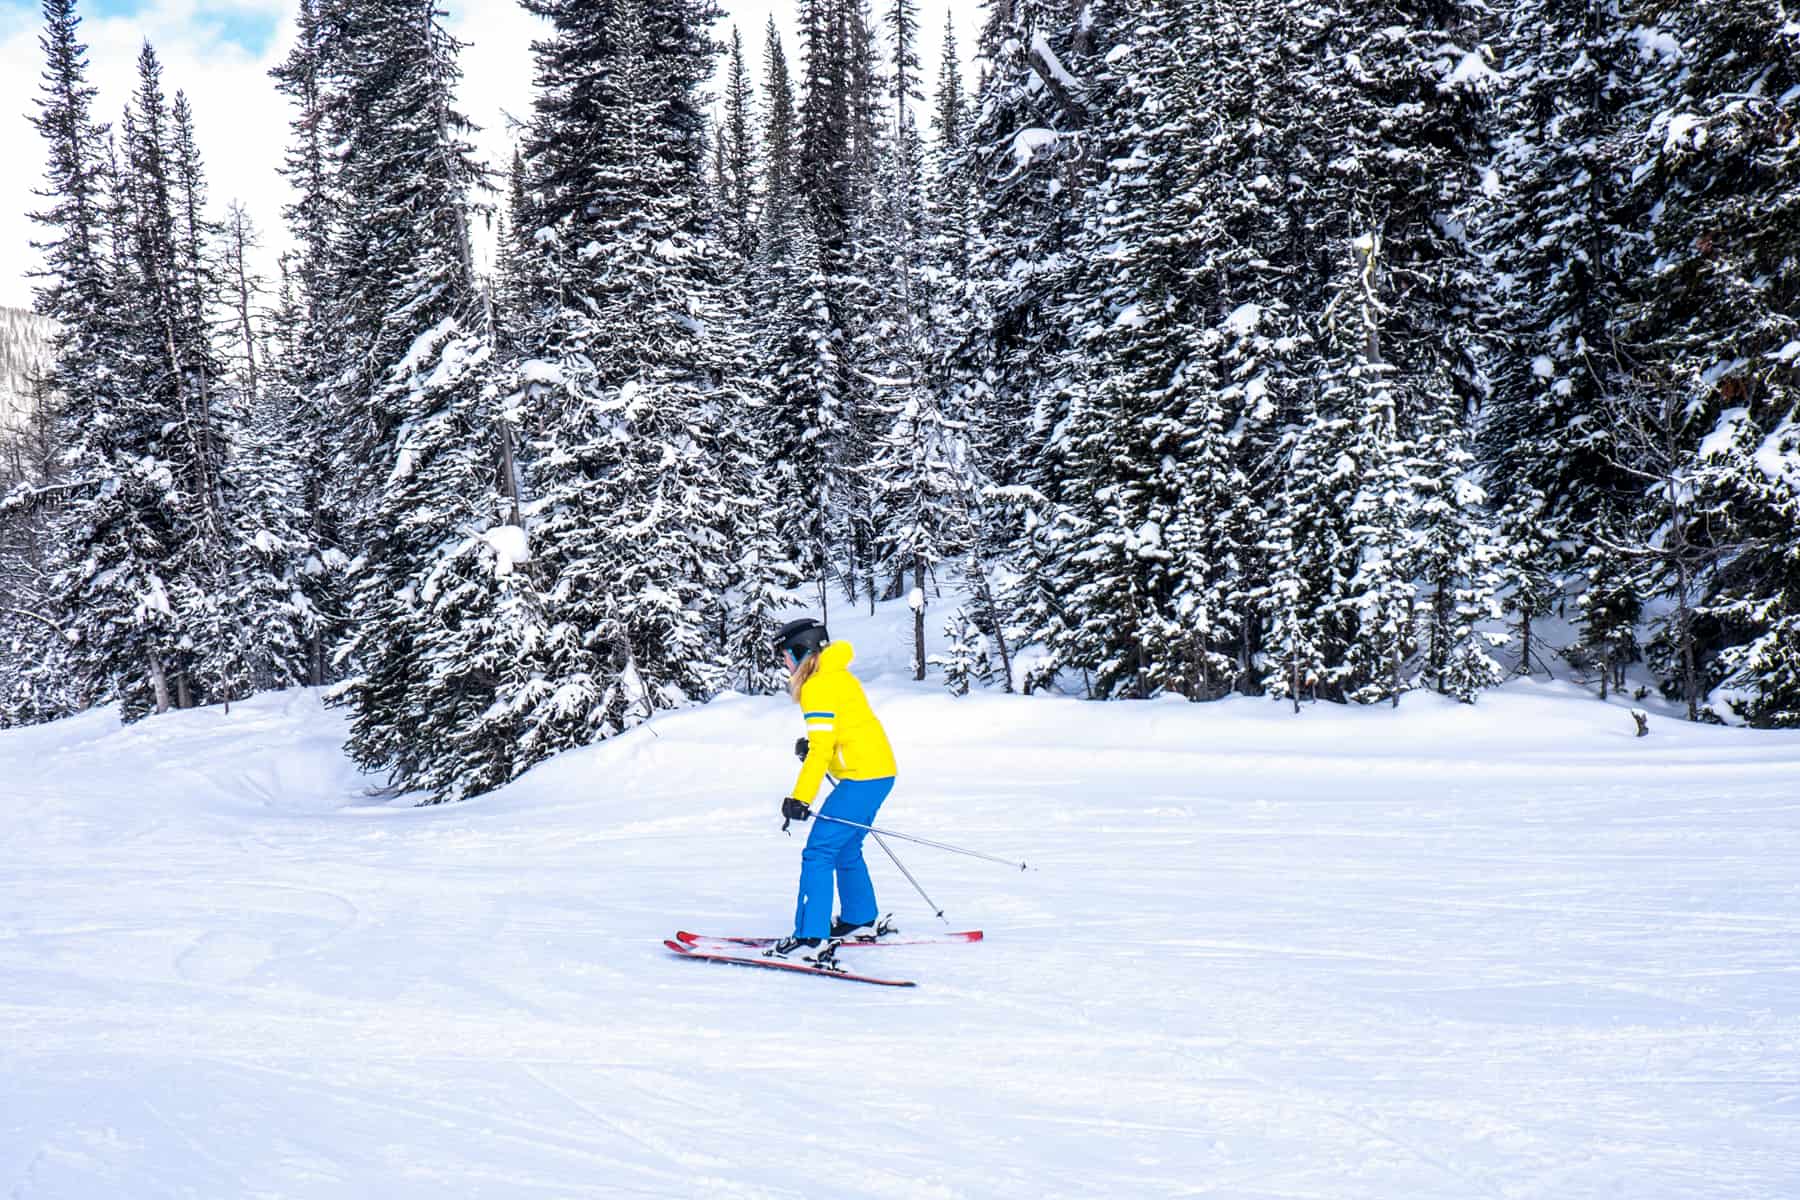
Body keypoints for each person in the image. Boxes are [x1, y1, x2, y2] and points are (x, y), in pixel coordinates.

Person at [765, 617, 898, 967]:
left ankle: (810, 937)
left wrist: (801, 798)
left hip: (862, 777)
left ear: (800, 651)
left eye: (785, 655)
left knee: (819, 851)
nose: (784, 663)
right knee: (845, 846)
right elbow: (845, 730)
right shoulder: (837, 675)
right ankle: (858, 919)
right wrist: (817, 748)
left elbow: (825, 746)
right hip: (878, 773)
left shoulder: (817, 687)